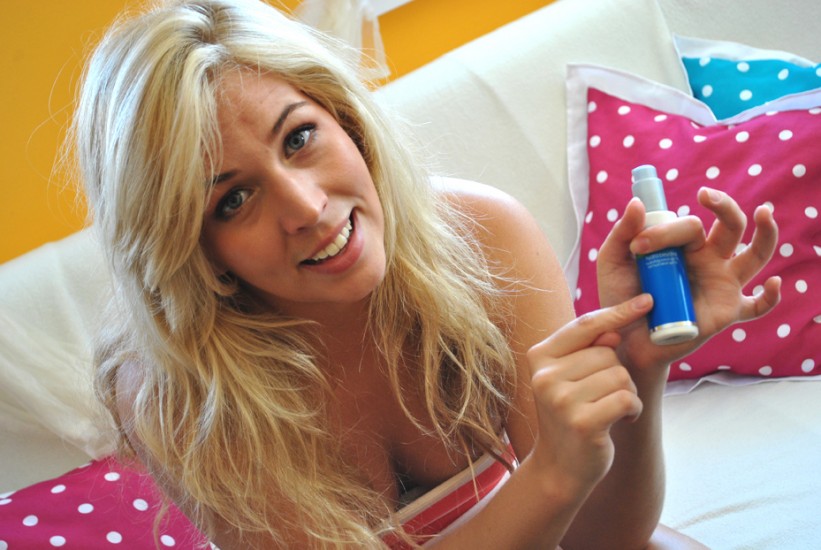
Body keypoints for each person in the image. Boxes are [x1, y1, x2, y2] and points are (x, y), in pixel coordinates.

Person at [70, 0, 781, 547]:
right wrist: (549, 476)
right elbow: (556, 489)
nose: (307, 208)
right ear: (193, 250)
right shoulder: (181, 392)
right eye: (233, 200)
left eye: (300, 137)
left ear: (346, 120)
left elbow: (606, 539)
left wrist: (640, 366)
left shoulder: (482, 236)